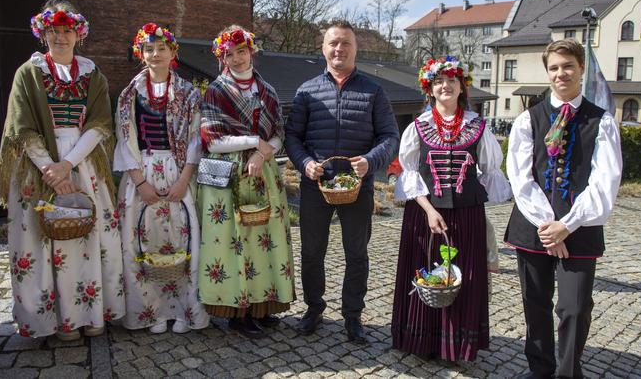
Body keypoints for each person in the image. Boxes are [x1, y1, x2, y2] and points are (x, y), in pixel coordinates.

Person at [0, 0, 125, 340]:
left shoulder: (92, 73)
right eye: (53, 31)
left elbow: (100, 123)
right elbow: (21, 127)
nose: (60, 37)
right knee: (41, 240)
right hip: (39, 166)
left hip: (82, 163)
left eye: (67, 31)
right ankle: (57, 320)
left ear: (78, 34)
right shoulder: (28, 73)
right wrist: (50, 169)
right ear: (43, 34)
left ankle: (91, 312)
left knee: (88, 235)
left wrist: (68, 165)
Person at [505, 39, 622, 378]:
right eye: (554, 68)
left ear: (581, 68)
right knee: (535, 305)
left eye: (568, 66)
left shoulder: (601, 122)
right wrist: (548, 225)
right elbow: (520, 177)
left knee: (575, 308)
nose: (561, 73)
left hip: (580, 230)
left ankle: (569, 372)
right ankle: (539, 370)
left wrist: (566, 225)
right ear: (547, 72)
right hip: (533, 227)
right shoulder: (528, 119)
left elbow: (605, 183)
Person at [285, 20, 399, 343]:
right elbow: (292, 136)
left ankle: (353, 316)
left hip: (357, 187)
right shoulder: (306, 91)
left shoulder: (373, 91)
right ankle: (314, 308)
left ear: (355, 49)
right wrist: (305, 163)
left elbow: (390, 136)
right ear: (323, 48)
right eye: (333, 43)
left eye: (345, 43)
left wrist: (371, 162)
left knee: (357, 254)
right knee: (311, 252)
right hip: (315, 185)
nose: (339, 49)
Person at [390, 56, 511, 360]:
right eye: (438, 81)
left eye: (451, 80)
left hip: (466, 214)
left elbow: (489, 170)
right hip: (424, 213)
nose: (445, 85)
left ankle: (458, 345)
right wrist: (429, 209)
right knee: (426, 272)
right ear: (429, 89)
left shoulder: (478, 127)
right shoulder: (418, 127)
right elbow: (410, 174)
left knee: (463, 277)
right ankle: (422, 342)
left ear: (461, 87)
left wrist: (468, 192)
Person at [198, 25, 294, 338]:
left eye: (242, 51)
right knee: (237, 240)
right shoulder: (217, 90)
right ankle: (237, 312)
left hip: (261, 171)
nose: (237, 59)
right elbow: (212, 140)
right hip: (230, 175)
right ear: (222, 57)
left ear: (251, 51)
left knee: (264, 238)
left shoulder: (267, 89)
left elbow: (278, 134)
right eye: (230, 54)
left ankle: (261, 306)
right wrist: (254, 142)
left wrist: (261, 155)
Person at [114, 23, 209, 334]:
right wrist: (140, 183)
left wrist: (184, 180)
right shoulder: (129, 94)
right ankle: (150, 311)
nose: (155, 54)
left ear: (173, 53)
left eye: (162, 49)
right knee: (140, 238)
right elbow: (124, 137)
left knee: (181, 238)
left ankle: (182, 311)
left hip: (177, 170)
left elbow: (195, 138)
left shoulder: (189, 93)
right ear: (141, 54)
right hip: (142, 171)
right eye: (149, 49)